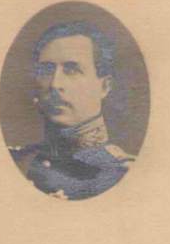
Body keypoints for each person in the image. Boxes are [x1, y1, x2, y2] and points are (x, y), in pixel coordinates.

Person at [10, 21, 135, 200]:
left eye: (72, 70)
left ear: (105, 86)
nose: (55, 84)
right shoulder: (18, 163)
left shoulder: (122, 173)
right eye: (46, 70)